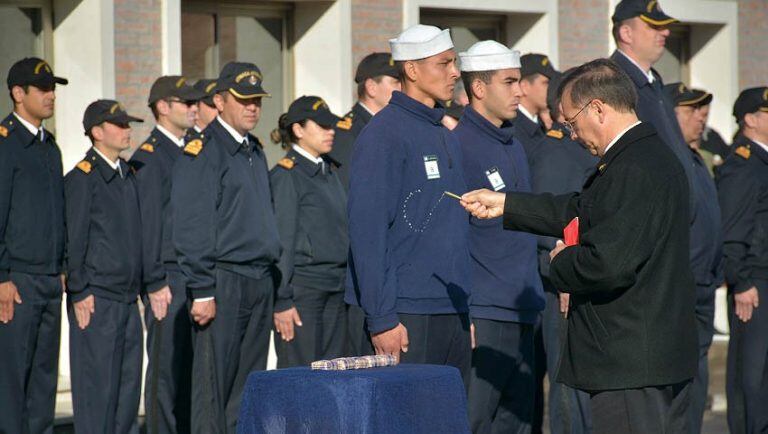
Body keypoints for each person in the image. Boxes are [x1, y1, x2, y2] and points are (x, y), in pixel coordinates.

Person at [460, 59, 697, 434]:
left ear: (598, 109)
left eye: (571, 122)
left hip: (631, 362)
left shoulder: (633, 167)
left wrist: (562, 261)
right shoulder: (640, 156)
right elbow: (582, 208)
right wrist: (507, 204)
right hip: (647, 357)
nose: (571, 134)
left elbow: (607, 264)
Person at [345, 24, 472, 378]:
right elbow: (368, 231)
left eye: (454, 62)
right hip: (406, 312)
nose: (455, 72)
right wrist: (382, 317)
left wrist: (466, 306)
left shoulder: (444, 133)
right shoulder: (383, 134)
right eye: (444, 63)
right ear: (412, 70)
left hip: (451, 306)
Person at [171, 62, 281, 434]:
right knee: (213, 388)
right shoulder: (204, 150)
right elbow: (192, 223)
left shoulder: (254, 150)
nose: (253, 107)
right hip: (224, 280)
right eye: (243, 100)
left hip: (258, 279)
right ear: (219, 101)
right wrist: (202, 288)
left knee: (248, 387)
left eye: (257, 101)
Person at [453, 40, 544, 433]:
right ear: (478, 87)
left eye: (519, 81)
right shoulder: (459, 146)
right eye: (509, 82)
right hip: (486, 313)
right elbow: (453, 237)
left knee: (518, 422)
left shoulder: (514, 145)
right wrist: (466, 311)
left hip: (523, 306)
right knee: (476, 421)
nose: (519, 91)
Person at [66, 99, 145, 434]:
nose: (127, 130)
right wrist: (80, 290)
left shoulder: (127, 176)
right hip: (97, 301)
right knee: (97, 395)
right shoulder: (83, 179)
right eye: (119, 125)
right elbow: (74, 239)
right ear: (97, 132)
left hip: (127, 301)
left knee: (127, 396)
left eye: (128, 124)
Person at [131, 75, 203, 434]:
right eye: (186, 103)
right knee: (165, 370)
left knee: (193, 368)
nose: (194, 108)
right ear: (162, 107)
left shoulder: (195, 148)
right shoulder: (150, 157)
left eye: (195, 102)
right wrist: (155, 280)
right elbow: (147, 225)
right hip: (168, 277)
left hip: (196, 272)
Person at [0, 57, 67, 434]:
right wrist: (1, 276)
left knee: (43, 384)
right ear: (18, 93)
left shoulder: (49, 147)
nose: (51, 95)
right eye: (42, 89)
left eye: (52, 89)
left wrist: (62, 267)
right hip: (18, 281)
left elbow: (57, 213)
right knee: (12, 385)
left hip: (48, 279)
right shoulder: (6, 144)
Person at [528, 70, 596, 434]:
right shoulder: (557, 152)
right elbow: (549, 228)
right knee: (568, 387)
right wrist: (565, 275)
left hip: (584, 279)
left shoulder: (581, 149)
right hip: (564, 288)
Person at [269, 96, 349, 367]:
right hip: (304, 291)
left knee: (333, 374)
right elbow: (282, 241)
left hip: (335, 286)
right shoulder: (287, 175)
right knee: (301, 374)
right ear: (298, 129)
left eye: (331, 125)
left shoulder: (329, 171)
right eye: (322, 126)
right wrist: (282, 299)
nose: (331, 131)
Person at [664, 82, 723, 433]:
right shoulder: (670, 160)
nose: (700, 118)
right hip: (682, 285)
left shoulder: (697, 159)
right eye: (690, 111)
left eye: (702, 111)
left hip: (704, 283)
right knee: (682, 379)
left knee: (698, 378)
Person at [718, 86, 768, 434]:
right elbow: (733, 230)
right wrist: (742, 280)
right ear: (750, 120)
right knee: (751, 373)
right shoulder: (744, 165)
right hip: (755, 282)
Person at [330, 52, 400, 189]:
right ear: (371, 87)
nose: (403, 88)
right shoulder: (348, 134)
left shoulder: (393, 126)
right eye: (396, 82)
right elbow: (346, 188)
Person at [513, 53, 558, 159]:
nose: (552, 88)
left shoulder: (542, 125)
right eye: (546, 83)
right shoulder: (512, 130)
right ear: (524, 87)